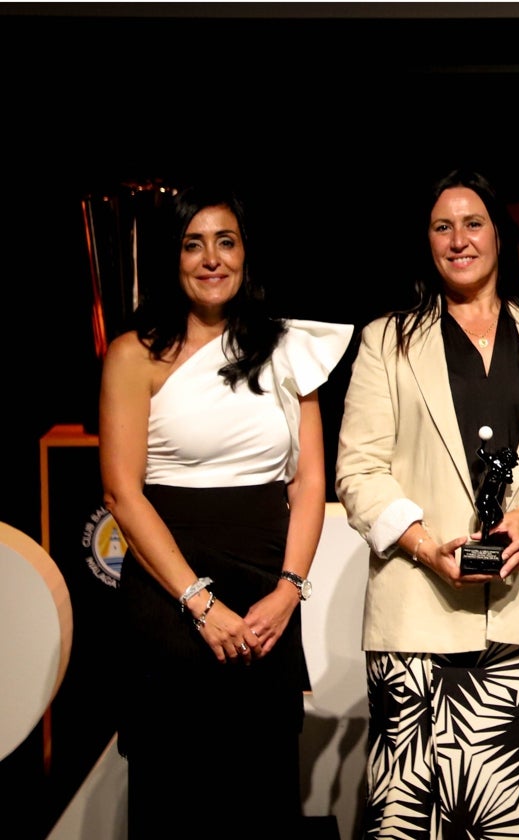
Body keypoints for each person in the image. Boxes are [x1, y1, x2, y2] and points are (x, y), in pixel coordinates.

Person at [335, 168, 519, 838]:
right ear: (426, 241)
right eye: (442, 225)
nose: (459, 239)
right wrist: (428, 547)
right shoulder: (386, 340)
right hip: (419, 619)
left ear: (500, 233)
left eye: (474, 222)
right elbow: (359, 472)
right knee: (416, 820)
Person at [98, 185, 352, 838]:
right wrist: (199, 602)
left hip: (268, 600)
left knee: (260, 802)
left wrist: (288, 593)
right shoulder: (134, 354)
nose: (211, 258)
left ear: (246, 255)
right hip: (169, 599)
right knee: (172, 802)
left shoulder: (293, 349)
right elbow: (122, 493)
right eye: (193, 243)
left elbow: (310, 482)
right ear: (173, 258)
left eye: (226, 241)